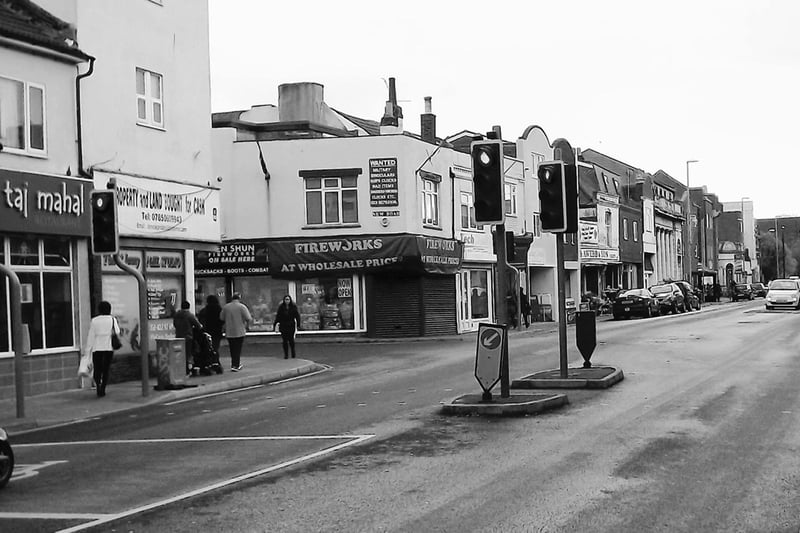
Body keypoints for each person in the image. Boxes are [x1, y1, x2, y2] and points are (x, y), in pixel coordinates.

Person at [83, 300, 121, 398]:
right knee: (106, 369)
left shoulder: (94, 320)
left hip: (97, 348)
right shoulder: (112, 319)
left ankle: (98, 386)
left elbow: (91, 336)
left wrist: (87, 350)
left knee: (97, 368)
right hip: (108, 347)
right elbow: (117, 331)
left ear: (99, 309)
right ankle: (103, 387)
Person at [220, 293, 252, 372]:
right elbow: (248, 318)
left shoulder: (226, 307)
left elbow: (221, 318)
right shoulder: (242, 306)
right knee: (238, 348)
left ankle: (233, 364)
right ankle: (236, 365)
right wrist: (247, 326)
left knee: (232, 348)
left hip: (229, 331)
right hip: (239, 331)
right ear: (239, 299)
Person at [173, 301, 203, 375]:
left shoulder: (177, 315)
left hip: (178, 336)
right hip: (188, 337)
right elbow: (198, 325)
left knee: (180, 354)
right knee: (188, 354)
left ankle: (180, 369)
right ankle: (188, 369)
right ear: (188, 307)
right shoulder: (189, 315)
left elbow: (175, 324)